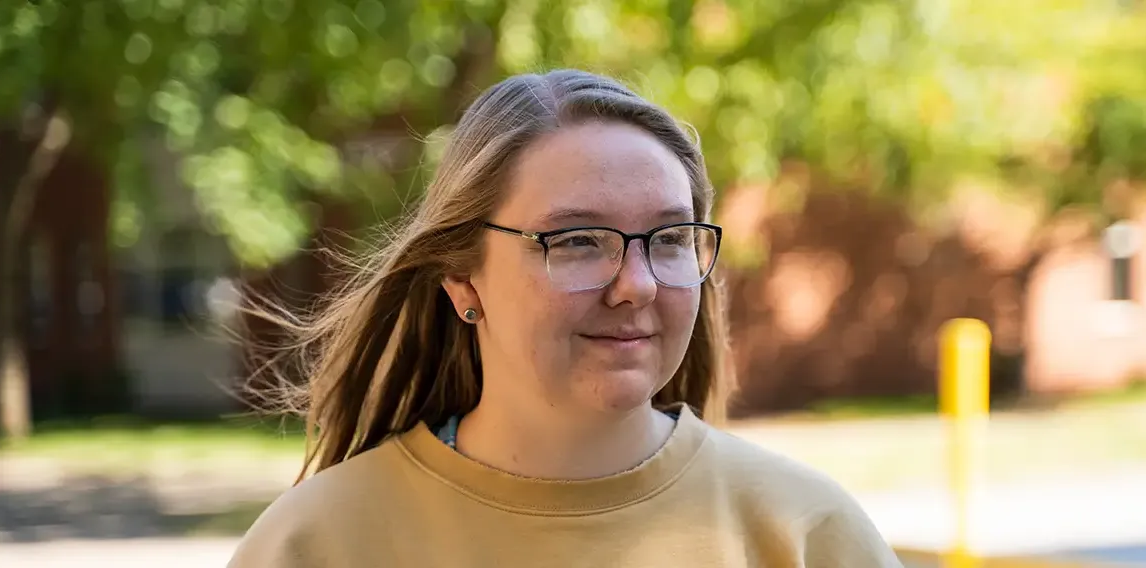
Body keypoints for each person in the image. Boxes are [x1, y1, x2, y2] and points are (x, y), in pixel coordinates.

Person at [229, 69, 903, 567]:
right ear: (463, 278)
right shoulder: (318, 544)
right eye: (577, 241)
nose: (635, 286)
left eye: (669, 239)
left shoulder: (806, 534)